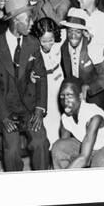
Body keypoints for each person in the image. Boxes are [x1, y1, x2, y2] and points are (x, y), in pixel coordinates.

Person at [0, 0, 50, 172]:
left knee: (40, 142)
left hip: (29, 109)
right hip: (7, 110)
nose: (32, 24)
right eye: (28, 19)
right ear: (14, 21)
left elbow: (41, 77)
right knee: (11, 150)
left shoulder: (33, 44)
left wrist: (39, 109)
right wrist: (4, 117)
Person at [52, 77, 104, 169]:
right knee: (58, 147)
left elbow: (83, 158)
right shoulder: (65, 118)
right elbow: (64, 146)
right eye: (62, 96)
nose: (65, 101)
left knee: (100, 161)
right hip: (90, 149)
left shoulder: (93, 116)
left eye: (70, 96)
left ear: (80, 97)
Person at [60, 8, 104, 113]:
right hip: (77, 102)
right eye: (70, 31)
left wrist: (88, 87)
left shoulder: (93, 47)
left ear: (84, 32)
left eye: (77, 32)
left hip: (96, 100)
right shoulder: (64, 48)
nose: (73, 35)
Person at [32, 17, 65, 149]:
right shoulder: (34, 50)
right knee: (50, 120)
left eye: (50, 40)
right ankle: (51, 150)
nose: (48, 44)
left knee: (62, 118)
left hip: (60, 82)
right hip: (46, 87)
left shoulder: (59, 43)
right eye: (44, 41)